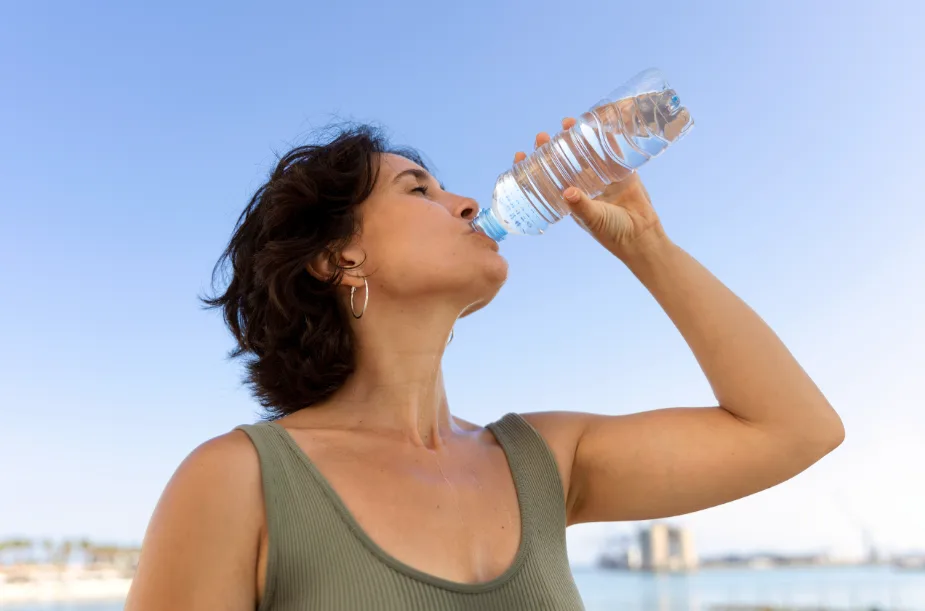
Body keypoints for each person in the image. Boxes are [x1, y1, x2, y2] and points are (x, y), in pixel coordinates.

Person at [125, 118, 844, 611]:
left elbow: (795, 428)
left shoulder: (543, 460)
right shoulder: (237, 480)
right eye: (419, 190)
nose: (467, 202)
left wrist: (646, 244)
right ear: (338, 255)